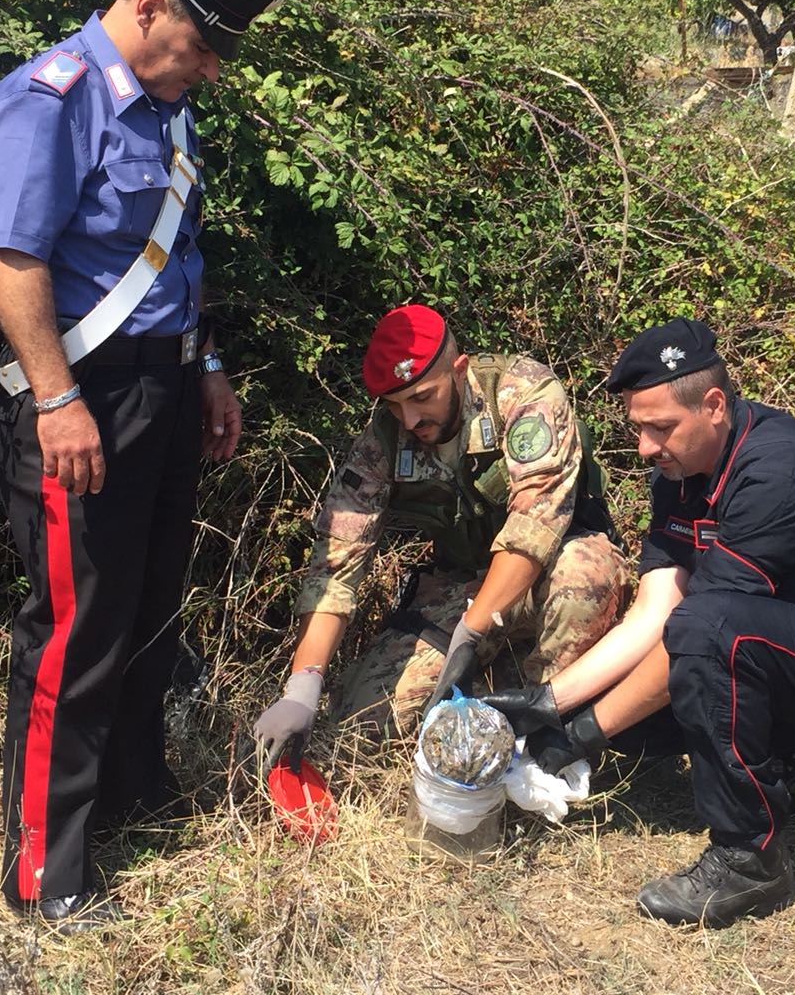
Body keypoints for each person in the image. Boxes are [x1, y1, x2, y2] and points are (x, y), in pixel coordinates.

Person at [0, 0, 291, 930]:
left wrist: (204, 366)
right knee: (76, 634)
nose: (207, 72)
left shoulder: (164, 103)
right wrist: (59, 401)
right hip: (81, 400)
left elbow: (173, 260)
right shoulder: (50, 99)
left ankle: (131, 795)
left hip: (161, 385)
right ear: (148, 6)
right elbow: (14, 262)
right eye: (199, 48)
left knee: (151, 603)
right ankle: (45, 871)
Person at [487, 317, 795, 928]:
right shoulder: (680, 476)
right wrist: (551, 702)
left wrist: (582, 734)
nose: (646, 447)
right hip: (792, 647)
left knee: (702, 635)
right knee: (629, 718)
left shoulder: (776, 471)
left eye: (660, 428)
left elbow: (697, 635)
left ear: (713, 405)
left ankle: (750, 861)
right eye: (637, 429)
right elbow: (655, 612)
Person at [252, 304, 630, 766]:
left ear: (459, 369)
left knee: (583, 575)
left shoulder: (521, 394)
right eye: (395, 404)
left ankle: (549, 740)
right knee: (365, 726)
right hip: (463, 587)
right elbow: (336, 562)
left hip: (549, 576)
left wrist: (470, 633)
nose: (410, 419)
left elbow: (535, 528)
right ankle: (496, 693)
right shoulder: (386, 440)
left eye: (422, 397)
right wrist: (303, 685)